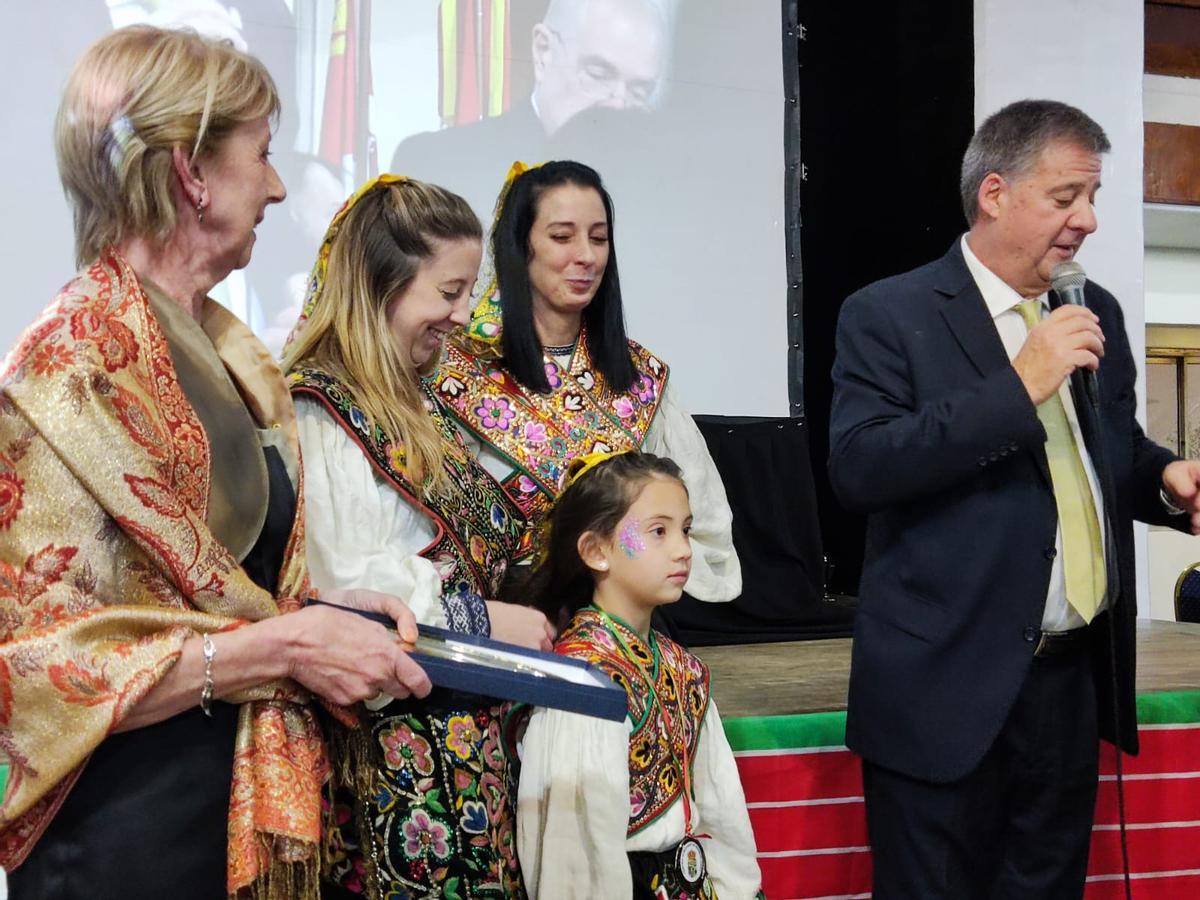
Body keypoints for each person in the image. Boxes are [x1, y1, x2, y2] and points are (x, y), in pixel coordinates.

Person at [0, 27, 432, 900]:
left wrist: (314, 610)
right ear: (191, 174)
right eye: (262, 154)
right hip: (125, 842)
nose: (277, 185)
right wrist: (282, 645)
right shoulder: (66, 368)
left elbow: (216, 589)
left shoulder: (232, 357)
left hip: (224, 813)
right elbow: (26, 665)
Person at [828, 98, 1200, 898]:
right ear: (994, 193)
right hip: (942, 686)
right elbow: (860, 467)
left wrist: (1166, 481)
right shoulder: (889, 314)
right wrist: (1021, 384)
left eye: (1093, 197)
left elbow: (1110, 452)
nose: (1089, 220)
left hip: (1068, 685)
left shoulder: (1090, 309)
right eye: (1067, 197)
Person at [281, 174, 554, 898]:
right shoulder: (321, 408)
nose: (465, 314)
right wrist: (481, 619)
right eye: (449, 291)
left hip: (464, 756)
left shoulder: (418, 403)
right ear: (381, 285)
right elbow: (339, 585)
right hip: (394, 776)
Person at [432, 160, 741, 606]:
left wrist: (625, 569)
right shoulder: (454, 371)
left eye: (598, 238)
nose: (587, 256)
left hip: (621, 626)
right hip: (506, 626)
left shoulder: (640, 378)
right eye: (562, 237)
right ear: (520, 246)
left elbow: (702, 526)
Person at [517, 450, 762, 899]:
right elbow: (573, 859)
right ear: (596, 550)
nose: (683, 548)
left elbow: (722, 812)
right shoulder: (583, 683)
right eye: (658, 532)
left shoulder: (682, 669)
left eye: (685, 530)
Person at [390, 0, 674, 218]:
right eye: (598, 74)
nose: (618, 103)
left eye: (638, 91)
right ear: (543, 52)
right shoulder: (437, 163)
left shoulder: (660, 190)